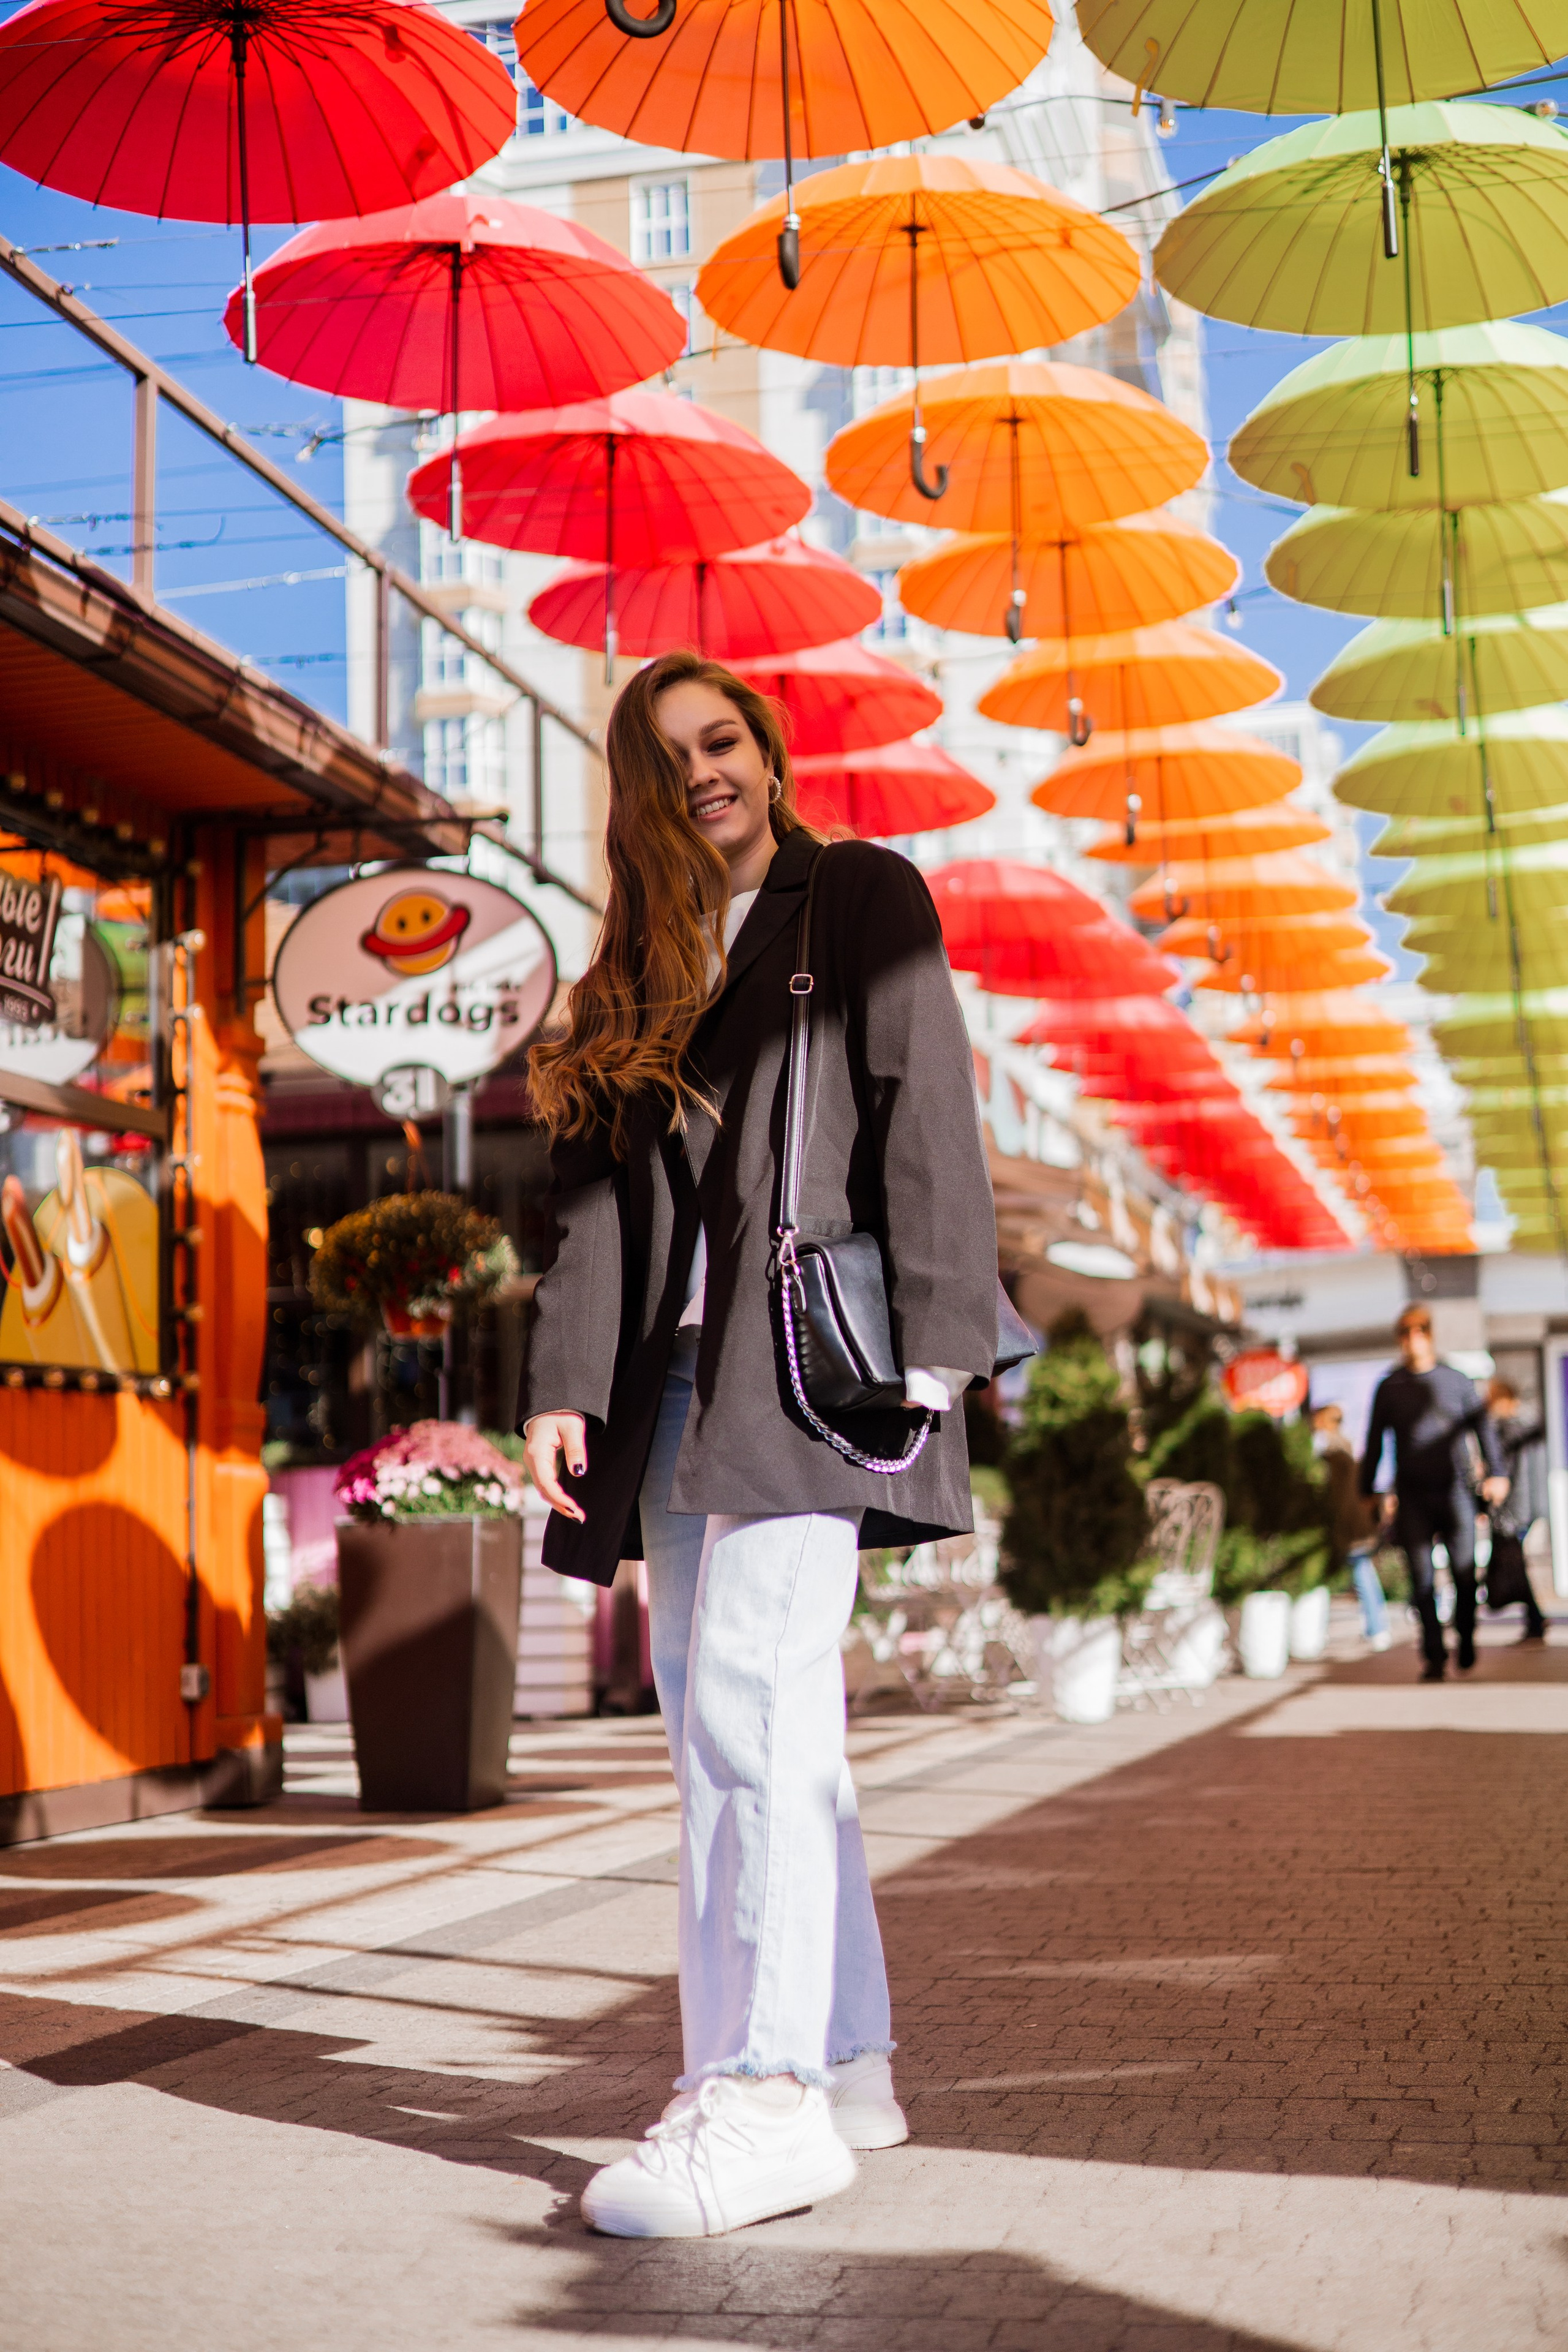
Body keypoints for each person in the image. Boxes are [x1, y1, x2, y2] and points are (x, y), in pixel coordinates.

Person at [519, 651, 998, 2239]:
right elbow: (593, 1202)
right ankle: (844, 2066)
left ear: (768, 751)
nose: (702, 773)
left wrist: (942, 1334)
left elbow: (925, 1103)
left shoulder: (852, 897)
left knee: (752, 1702)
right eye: (666, 761)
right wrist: (562, 1382)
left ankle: (762, 2094)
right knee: (735, 1733)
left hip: (807, 1370)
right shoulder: (635, 969)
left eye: (718, 739)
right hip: (668, 1389)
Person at [1357, 1305, 1510, 1682]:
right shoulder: (1390, 1387)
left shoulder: (1456, 1380)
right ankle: (1434, 1655)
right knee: (1422, 1579)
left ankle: (1466, 1637)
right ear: (1399, 1338)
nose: (1413, 1338)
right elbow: (1375, 1441)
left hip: (1456, 1492)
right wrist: (1367, 1490)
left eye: (1420, 1330)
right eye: (1405, 1332)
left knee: (1464, 1574)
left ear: (1431, 1334)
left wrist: (1498, 1474)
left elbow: (1483, 1430)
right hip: (1412, 1496)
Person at [1311, 1402, 1390, 1649]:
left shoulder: (1329, 1450)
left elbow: (1337, 1495)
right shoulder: (1347, 1445)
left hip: (1347, 1523)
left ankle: (1376, 1628)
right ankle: (1377, 1626)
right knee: (1363, 1571)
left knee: (1359, 1571)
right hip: (1357, 1521)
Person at [1481, 1377, 1550, 1643]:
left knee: (1514, 1566)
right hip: (1528, 1506)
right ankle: (1534, 1620)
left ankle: (1535, 1621)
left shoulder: (1508, 1431)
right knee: (1516, 1564)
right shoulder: (1530, 1426)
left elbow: (1508, 1475)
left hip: (1512, 1510)